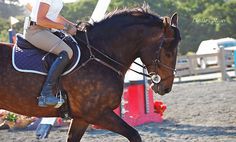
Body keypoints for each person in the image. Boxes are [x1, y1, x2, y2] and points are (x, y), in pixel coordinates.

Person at [24, 0, 77, 107]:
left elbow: (55, 16)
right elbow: (40, 20)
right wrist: (65, 27)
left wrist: (73, 25)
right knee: (67, 52)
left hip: (46, 31)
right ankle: (46, 94)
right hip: (36, 31)